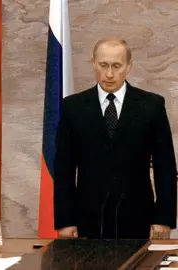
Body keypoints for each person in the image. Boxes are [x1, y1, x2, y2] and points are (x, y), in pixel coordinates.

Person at [54, 36, 177, 240]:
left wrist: (164, 217)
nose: (109, 74)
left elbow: (166, 168)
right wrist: (65, 220)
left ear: (129, 66)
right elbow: (63, 170)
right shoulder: (73, 107)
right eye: (103, 65)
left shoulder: (151, 106)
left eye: (116, 66)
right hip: (88, 222)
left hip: (138, 220)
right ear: (93, 62)